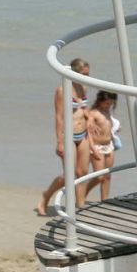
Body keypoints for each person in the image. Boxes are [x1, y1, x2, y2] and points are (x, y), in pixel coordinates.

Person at [40, 57, 91, 216]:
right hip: (68, 135)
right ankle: (46, 196)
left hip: (83, 134)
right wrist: (60, 142)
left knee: (82, 172)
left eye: (88, 74)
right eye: (84, 74)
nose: (87, 77)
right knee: (68, 174)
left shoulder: (83, 87)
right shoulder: (62, 90)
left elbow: (83, 110)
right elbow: (59, 117)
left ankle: (79, 207)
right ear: (75, 73)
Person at [79, 91, 119, 208]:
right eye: (106, 104)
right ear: (100, 101)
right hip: (97, 147)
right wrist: (93, 149)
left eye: (111, 104)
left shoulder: (107, 111)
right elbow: (89, 134)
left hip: (109, 146)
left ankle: (105, 200)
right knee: (99, 176)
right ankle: (83, 192)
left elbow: (108, 127)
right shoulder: (93, 114)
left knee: (107, 176)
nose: (108, 106)